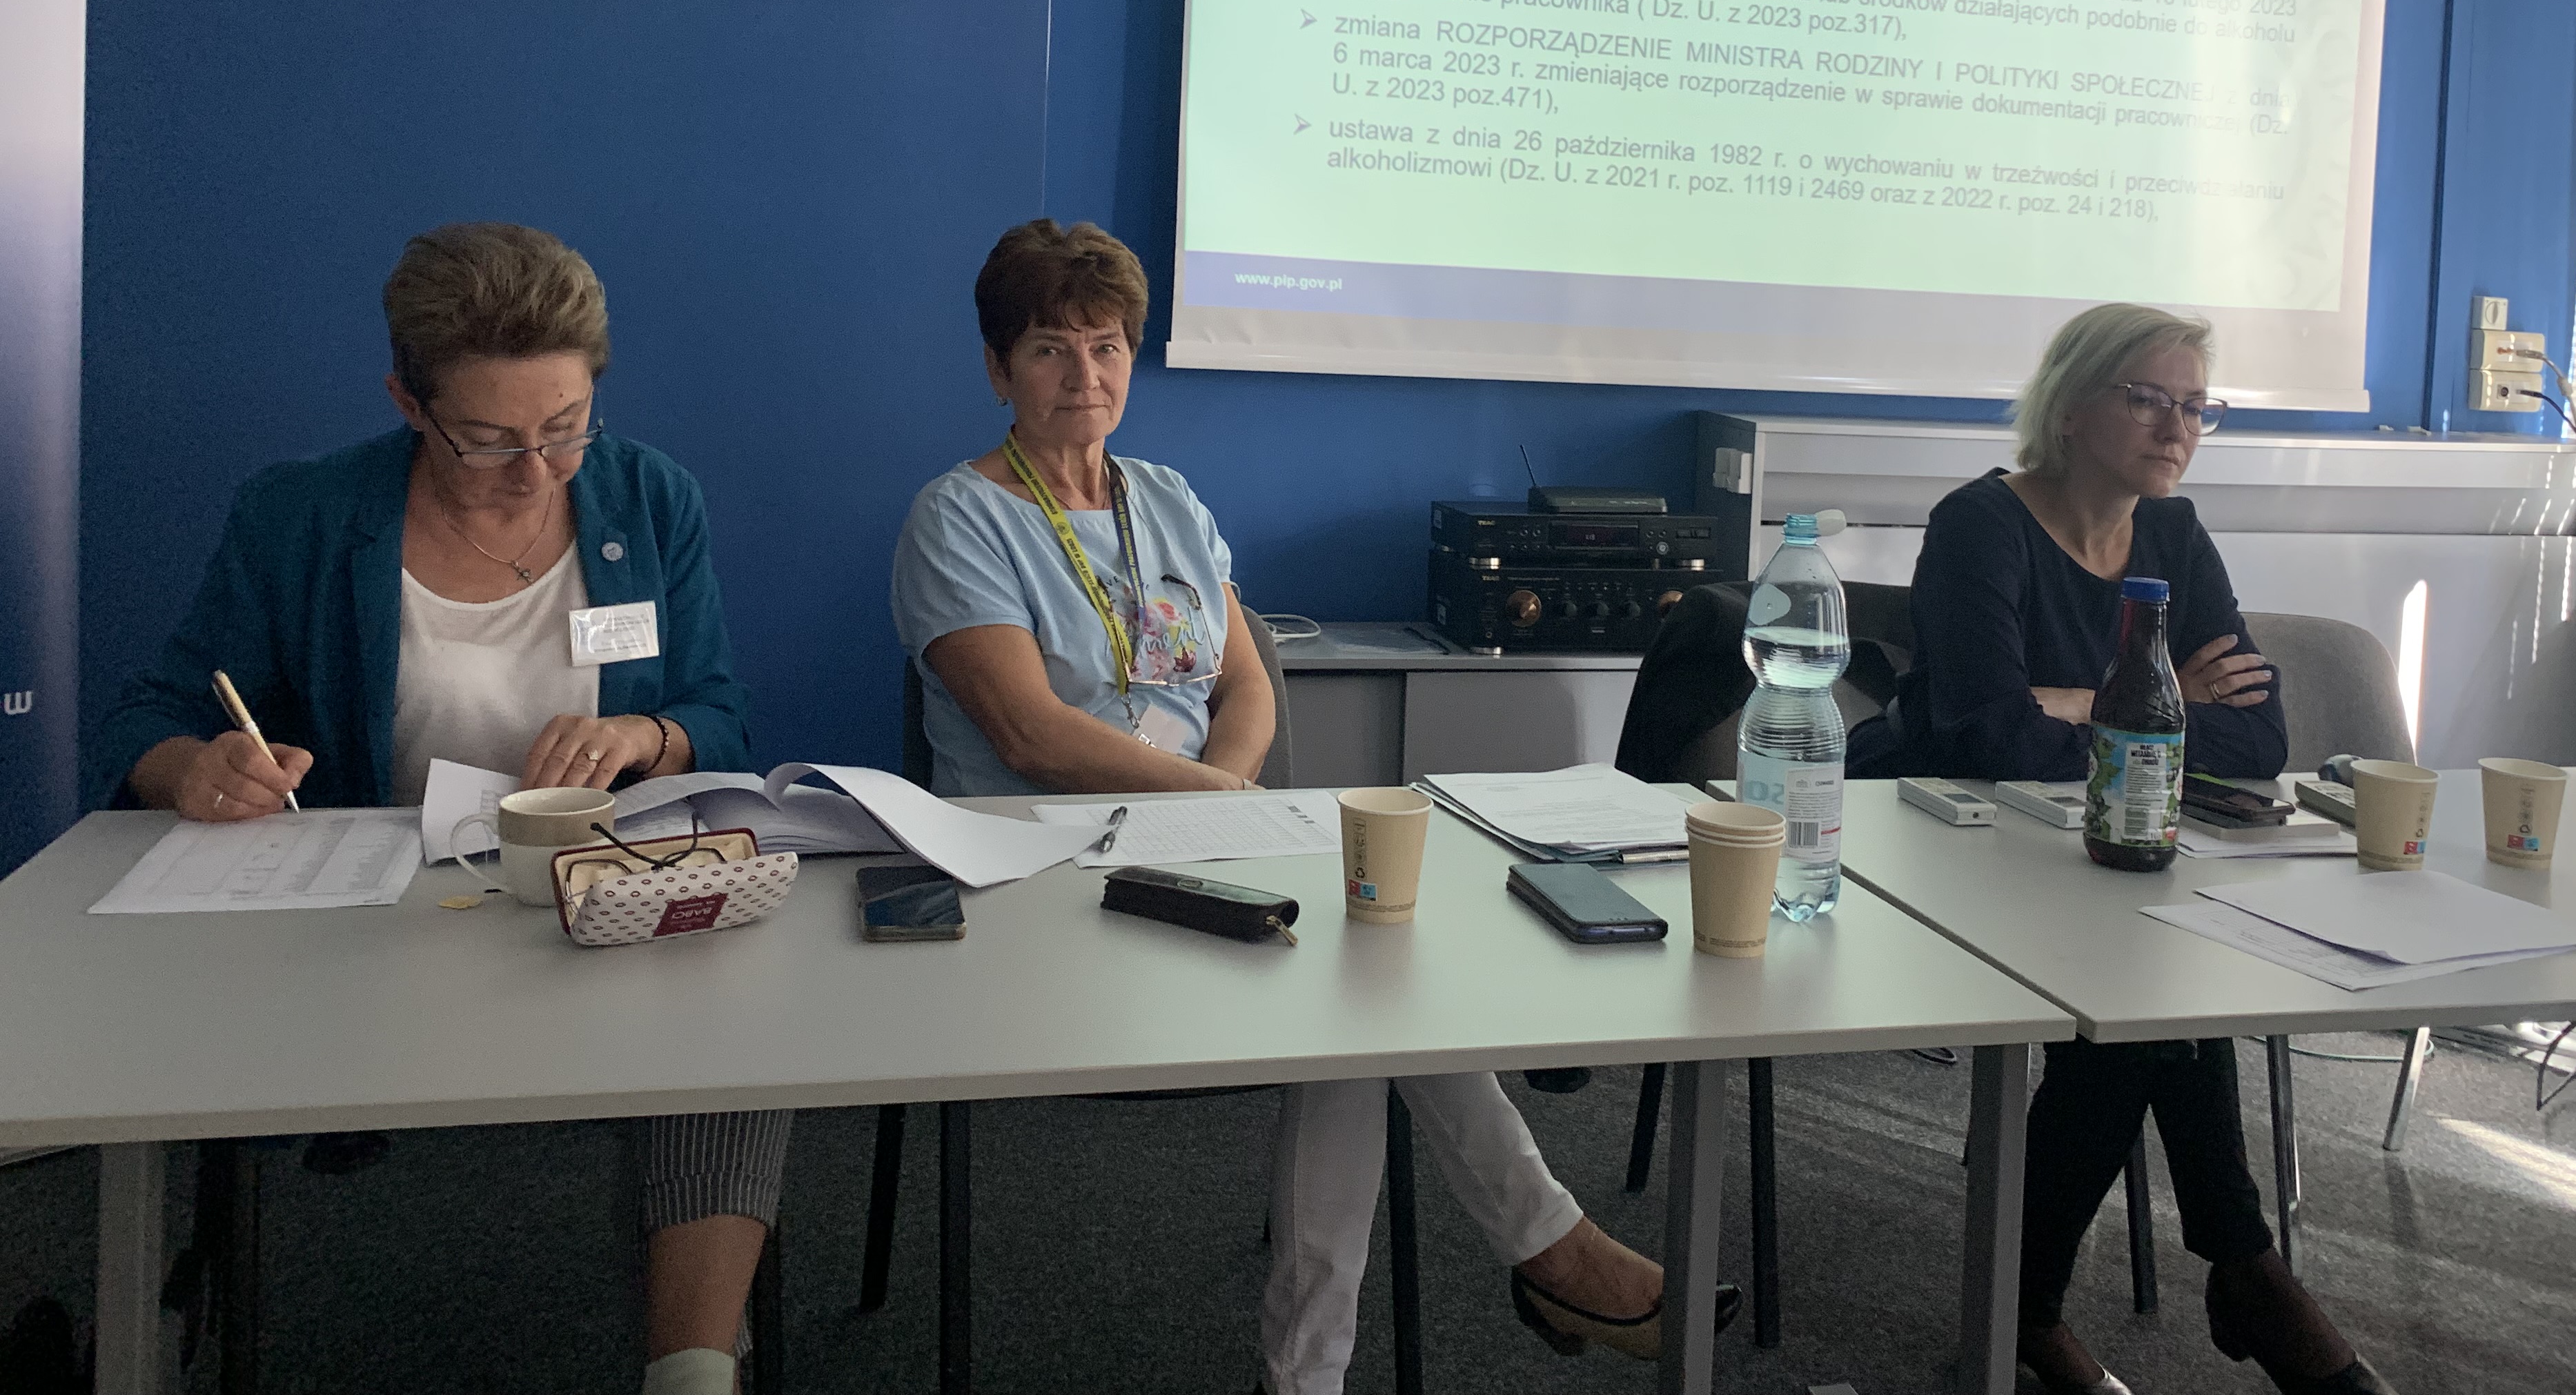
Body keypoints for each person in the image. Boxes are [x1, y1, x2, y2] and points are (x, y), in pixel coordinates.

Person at [891, 219, 1736, 1395]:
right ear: (998, 369)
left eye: (1107, 346)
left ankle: (1324, 1367)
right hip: (1039, 872)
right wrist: (1216, 798)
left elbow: (1247, 681)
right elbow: (1030, 736)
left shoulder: (1166, 499)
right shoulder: (958, 518)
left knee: (1369, 968)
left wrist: (1226, 796)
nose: (1084, 375)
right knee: (1362, 975)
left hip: (1197, 839)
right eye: (1048, 349)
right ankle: (1534, 1260)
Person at [90, 224, 783, 1395]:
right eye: (490, 440)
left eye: (566, 426)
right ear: (409, 404)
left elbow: (718, 712)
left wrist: (645, 736)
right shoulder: (303, 517)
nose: (537, 470)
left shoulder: (649, 497)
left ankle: (692, 1368)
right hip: (375, 926)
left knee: (734, 1021)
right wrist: (193, 768)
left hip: (591, 898)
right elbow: (146, 717)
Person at [1879, 302, 2389, 1395]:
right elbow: (1985, 738)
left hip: (2105, 849)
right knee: (2144, 1002)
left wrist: (2074, 705)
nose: (2178, 427)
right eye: (2149, 398)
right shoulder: (1980, 525)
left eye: (2197, 406)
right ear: (2071, 407)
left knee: (2149, 994)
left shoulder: (2174, 535)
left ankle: (2044, 1308)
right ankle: (2234, 1272)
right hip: (1947, 847)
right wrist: (2148, 705)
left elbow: (2259, 735)